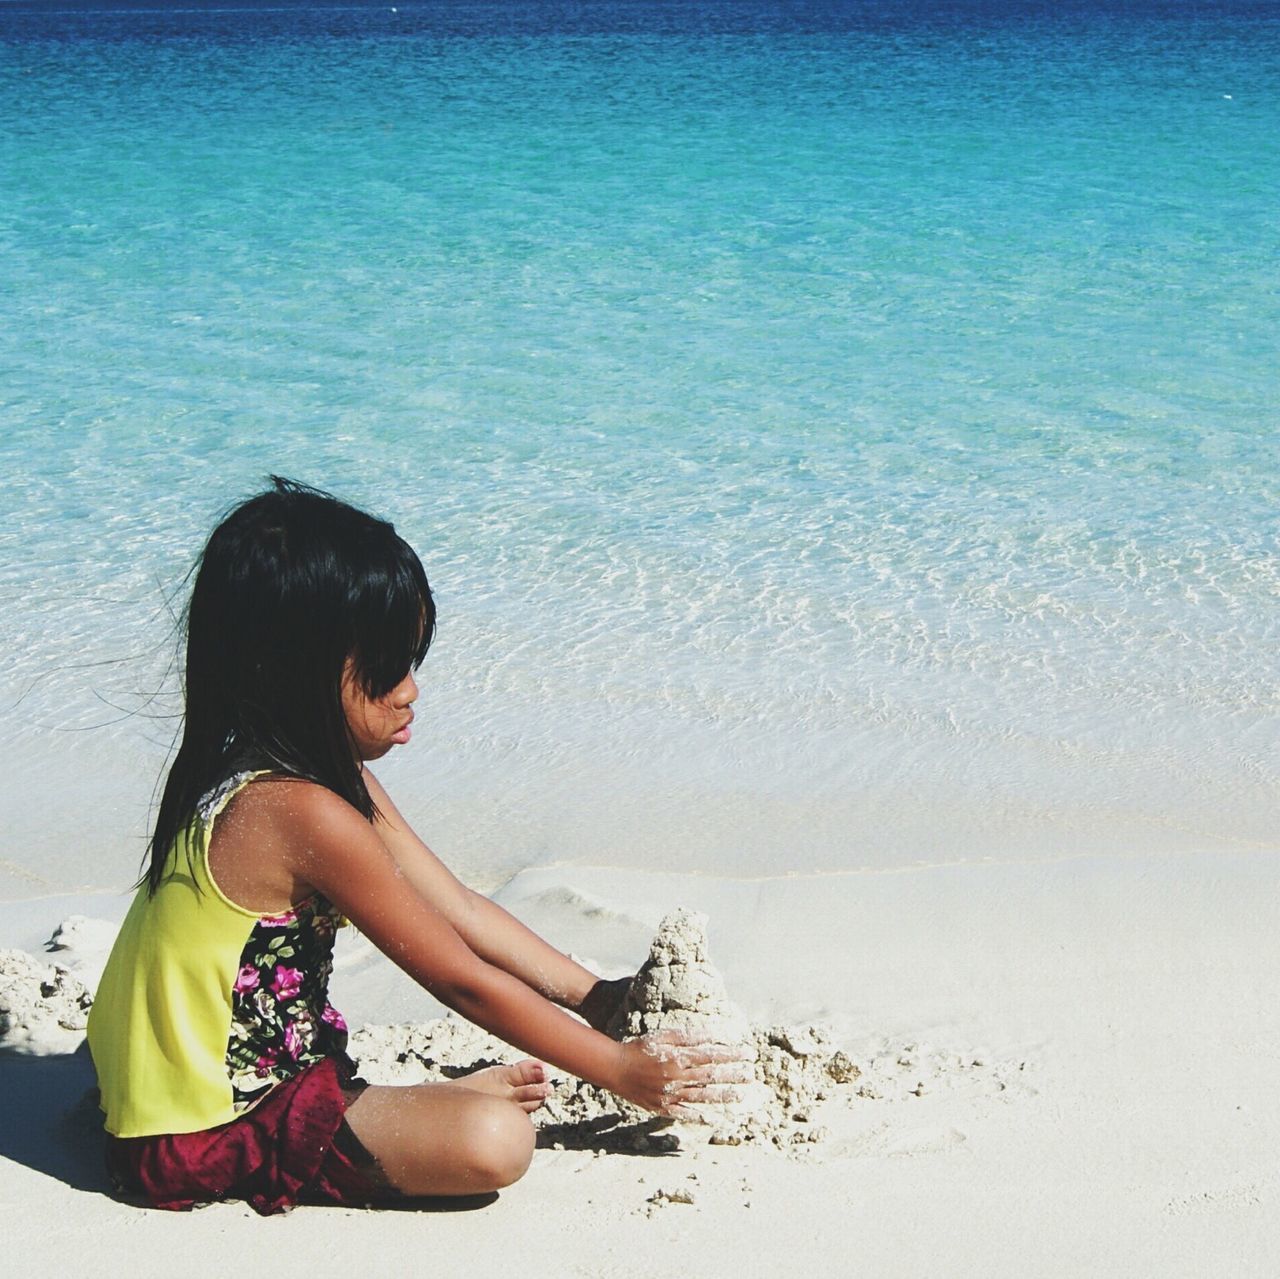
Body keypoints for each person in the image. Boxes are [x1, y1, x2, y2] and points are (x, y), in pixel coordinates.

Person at [86, 477, 739, 1214]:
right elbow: (456, 976)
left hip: (158, 1085)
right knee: (496, 1140)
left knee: (476, 1118)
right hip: (198, 1130)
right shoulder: (301, 810)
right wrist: (622, 1069)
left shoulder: (278, 764)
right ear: (295, 669)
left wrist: (600, 999)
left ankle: (406, 1107)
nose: (411, 690)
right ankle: (412, 1107)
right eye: (388, 665)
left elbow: (456, 904)